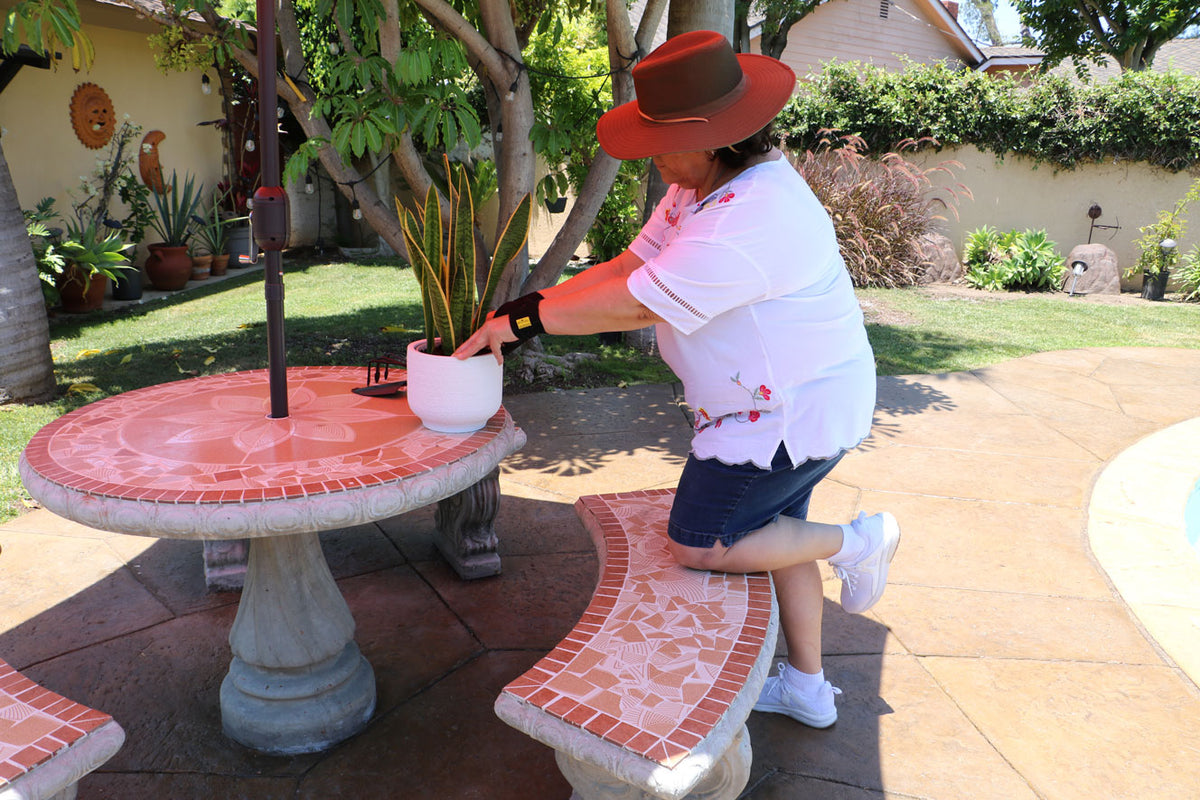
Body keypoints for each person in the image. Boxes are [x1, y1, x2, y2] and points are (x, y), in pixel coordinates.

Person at [454, 30, 899, 729]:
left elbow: (640, 300)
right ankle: (810, 689)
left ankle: (860, 544)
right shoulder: (703, 190)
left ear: (714, 136)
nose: (652, 160)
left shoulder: (751, 216)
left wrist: (523, 326)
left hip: (786, 416)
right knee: (781, 533)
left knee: (700, 539)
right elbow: (628, 269)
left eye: (660, 143)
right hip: (785, 401)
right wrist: (516, 313)